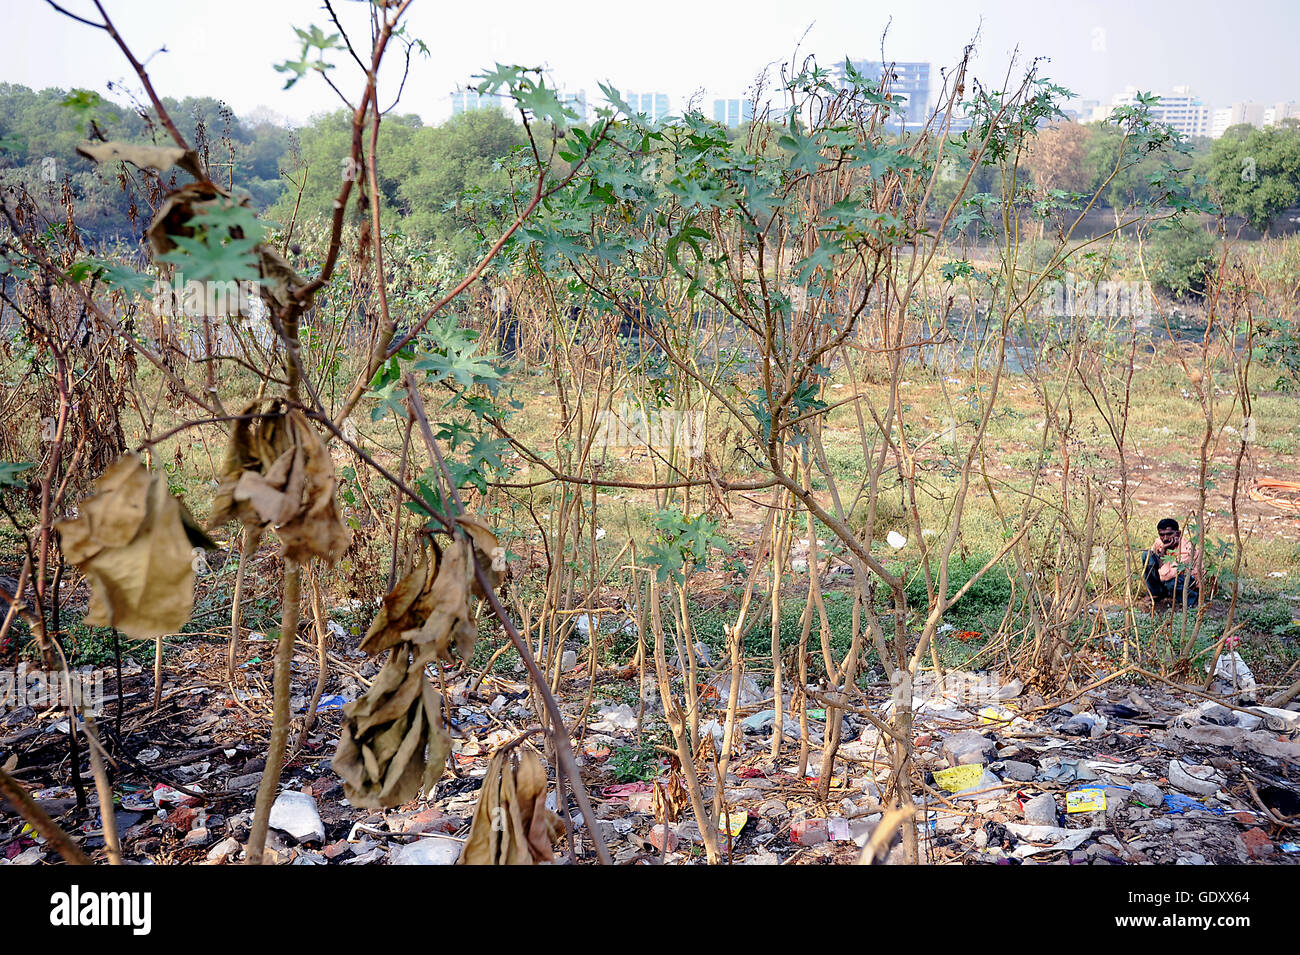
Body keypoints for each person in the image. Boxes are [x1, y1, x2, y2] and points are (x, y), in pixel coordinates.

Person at [1140, 518, 1201, 607]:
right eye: (1162, 535)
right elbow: (1153, 559)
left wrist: (1164, 550)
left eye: (1169, 534)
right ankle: (1156, 593)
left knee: (1171, 582)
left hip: (1187, 580)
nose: (1165, 538)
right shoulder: (1159, 542)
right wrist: (1163, 551)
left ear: (1179, 534)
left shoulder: (1186, 550)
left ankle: (1191, 600)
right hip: (1168, 576)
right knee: (1147, 555)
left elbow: (1166, 576)